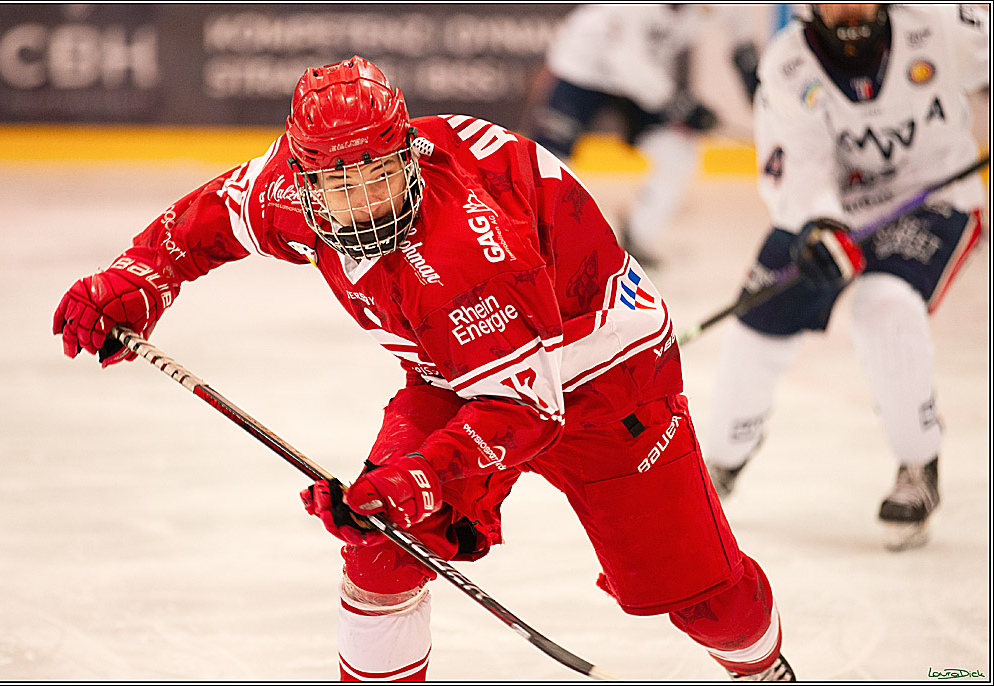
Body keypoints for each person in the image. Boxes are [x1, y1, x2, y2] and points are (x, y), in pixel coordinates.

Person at [53, 56, 795, 681]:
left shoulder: (467, 252)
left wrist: (417, 480)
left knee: (707, 602)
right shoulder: (296, 188)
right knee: (380, 552)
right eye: (337, 185)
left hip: (607, 382)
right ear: (303, 178)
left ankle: (764, 669)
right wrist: (136, 280)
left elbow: (525, 410)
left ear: (406, 151)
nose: (360, 202)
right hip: (462, 373)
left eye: (375, 175)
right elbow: (214, 214)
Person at [701, 5, 989, 552]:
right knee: (757, 326)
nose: (850, 6)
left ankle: (917, 460)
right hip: (832, 215)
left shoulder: (941, 24)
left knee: (883, 305)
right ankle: (723, 458)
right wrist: (821, 225)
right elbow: (798, 170)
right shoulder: (787, 67)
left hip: (935, 200)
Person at [526, 4, 761, 266]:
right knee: (546, 158)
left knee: (678, 154)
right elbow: (627, 62)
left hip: (645, 78)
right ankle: (524, 240)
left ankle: (637, 236)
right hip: (582, 69)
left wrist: (761, 94)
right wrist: (679, 104)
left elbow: (743, 43)